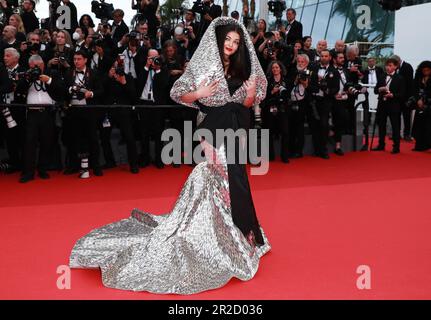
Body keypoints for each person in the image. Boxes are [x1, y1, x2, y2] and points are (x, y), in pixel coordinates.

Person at [70, 17, 271, 294]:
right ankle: (216, 238)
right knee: (217, 180)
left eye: (236, 42)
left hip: (237, 128)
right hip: (211, 129)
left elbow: (250, 101)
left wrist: (248, 96)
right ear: (218, 39)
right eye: (227, 39)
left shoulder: (243, 68)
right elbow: (177, 92)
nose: (231, 45)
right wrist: (199, 92)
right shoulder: (204, 65)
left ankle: (240, 233)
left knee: (236, 180)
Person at [372, 58, 406, 154]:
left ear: (395, 66)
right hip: (382, 104)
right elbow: (375, 90)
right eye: (387, 65)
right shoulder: (382, 76)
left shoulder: (400, 78)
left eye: (390, 65)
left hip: (394, 105)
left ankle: (396, 147)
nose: (388, 67)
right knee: (381, 125)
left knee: (395, 126)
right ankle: (381, 145)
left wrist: (393, 95)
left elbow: (402, 94)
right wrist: (379, 89)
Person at [411, 61, 431, 151]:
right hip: (420, 105)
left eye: (428, 70)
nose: (426, 72)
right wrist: (418, 99)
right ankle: (419, 146)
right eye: (424, 70)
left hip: (429, 105)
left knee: (428, 126)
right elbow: (414, 89)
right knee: (419, 125)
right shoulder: (418, 78)